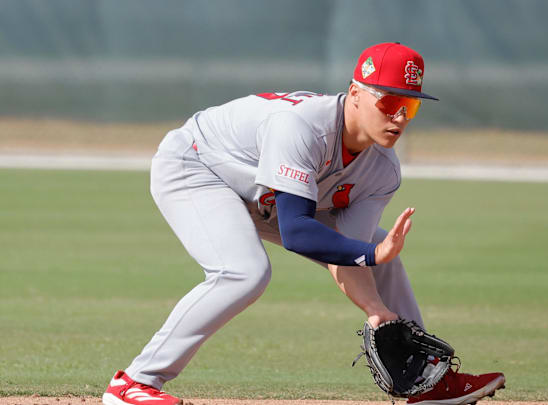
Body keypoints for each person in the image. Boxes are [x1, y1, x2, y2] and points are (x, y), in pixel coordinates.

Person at [102, 42, 505, 405]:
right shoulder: (303, 127)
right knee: (243, 272)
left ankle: (426, 383)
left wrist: (379, 311)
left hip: (266, 195)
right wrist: (369, 255)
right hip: (199, 166)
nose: (399, 117)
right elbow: (298, 232)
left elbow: (347, 254)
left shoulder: (382, 170)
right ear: (356, 95)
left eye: (411, 106)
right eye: (389, 103)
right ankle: (134, 382)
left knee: (384, 261)